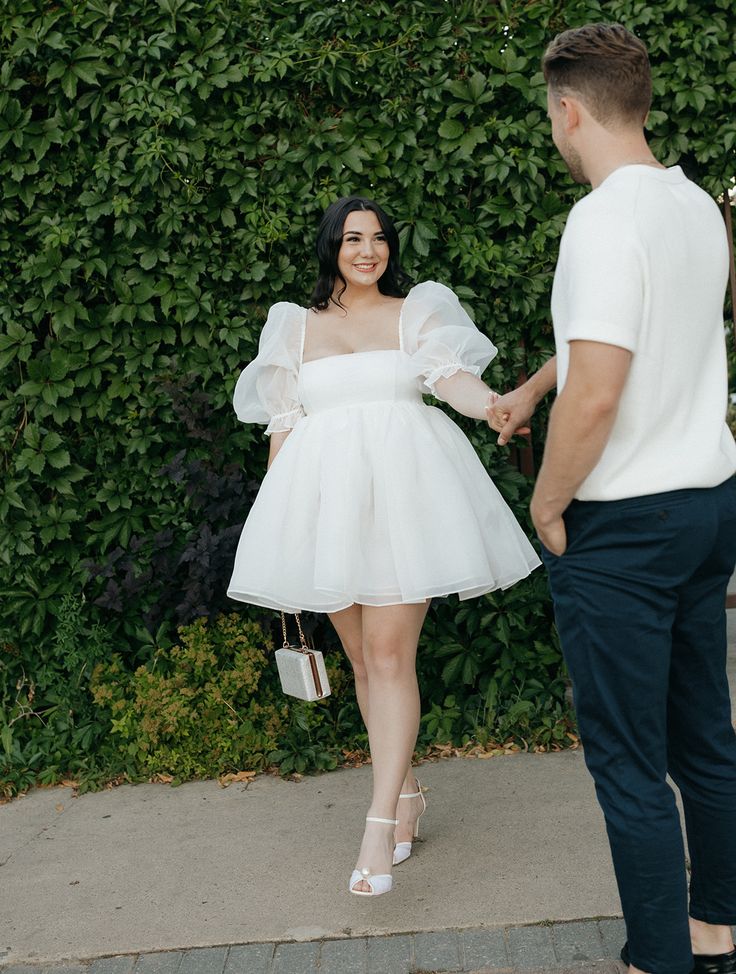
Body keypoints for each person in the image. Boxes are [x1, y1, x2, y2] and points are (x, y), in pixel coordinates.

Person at [488, 22, 736, 974]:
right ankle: (717, 930)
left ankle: (658, 961)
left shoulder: (598, 221)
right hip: (708, 505)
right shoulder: (690, 209)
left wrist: (551, 505)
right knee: (703, 739)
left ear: (569, 110)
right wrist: (535, 386)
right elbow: (629, 336)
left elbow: (602, 390)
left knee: (630, 765)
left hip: (625, 528)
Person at [228, 195, 541, 896]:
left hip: (405, 502)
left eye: (378, 239)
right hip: (327, 510)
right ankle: (404, 795)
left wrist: (492, 403)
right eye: (352, 238)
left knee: (392, 654)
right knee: (365, 664)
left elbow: (449, 380)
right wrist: (278, 522)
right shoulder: (293, 328)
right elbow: (283, 426)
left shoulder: (414, 313)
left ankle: (375, 825)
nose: (368, 251)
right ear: (330, 247)